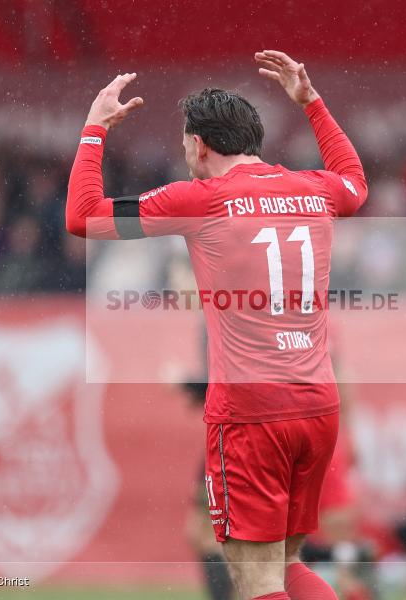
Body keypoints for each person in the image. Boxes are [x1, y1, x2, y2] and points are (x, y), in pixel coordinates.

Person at [65, 51, 367, 600]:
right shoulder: (313, 189)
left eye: (186, 143)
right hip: (317, 407)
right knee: (286, 565)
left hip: (252, 415)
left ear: (199, 144)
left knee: (254, 580)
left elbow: (82, 216)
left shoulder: (200, 199)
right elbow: (355, 183)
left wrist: (93, 130)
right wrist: (312, 103)